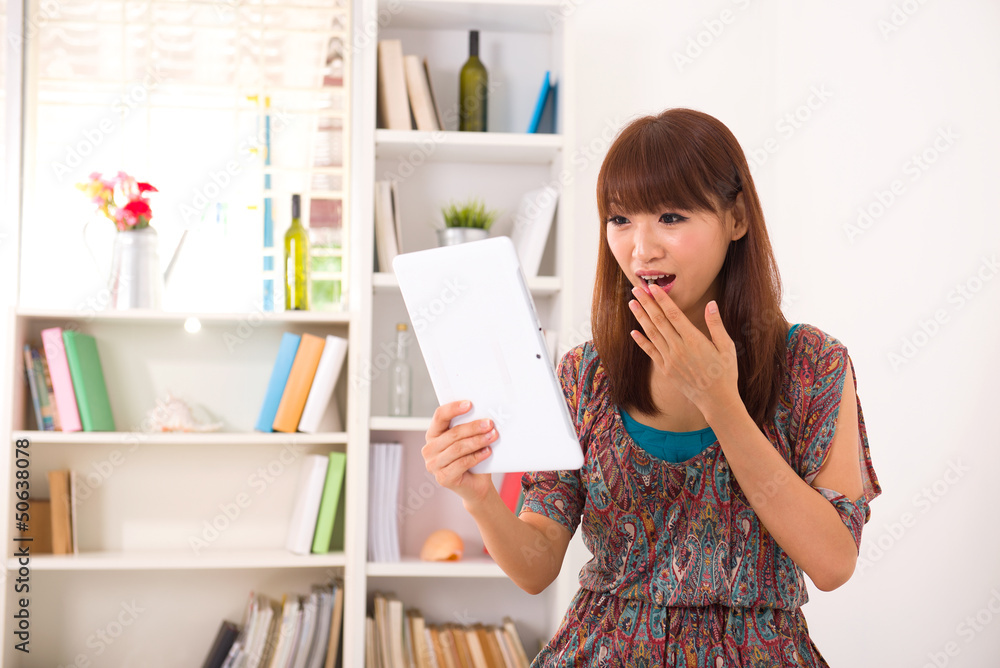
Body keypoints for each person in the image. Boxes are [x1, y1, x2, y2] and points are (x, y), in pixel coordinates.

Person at [420, 108, 881, 667]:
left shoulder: (814, 364)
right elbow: (537, 567)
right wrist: (478, 496)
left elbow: (833, 564)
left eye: (670, 216)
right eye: (620, 220)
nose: (641, 249)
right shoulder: (585, 374)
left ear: (736, 219)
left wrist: (720, 402)